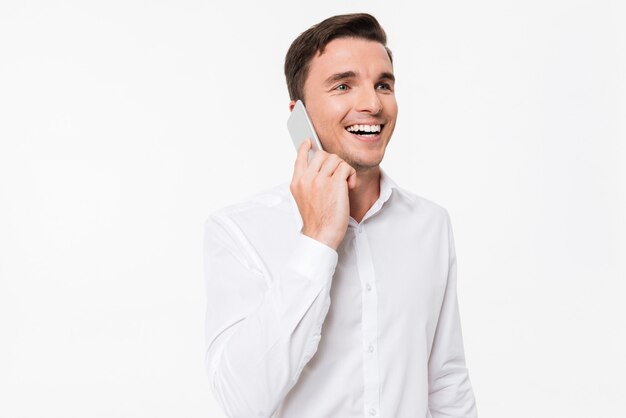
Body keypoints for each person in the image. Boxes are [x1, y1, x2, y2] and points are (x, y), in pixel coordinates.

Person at [203, 13, 478, 418]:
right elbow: (241, 400)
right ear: (299, 115)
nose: (372, 104)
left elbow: (446, 380)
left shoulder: (430, 224)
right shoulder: (239, 231)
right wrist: (316, 241)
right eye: (343, 85)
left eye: (383, 84)